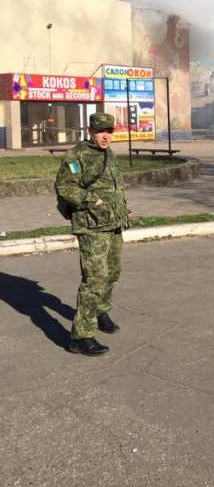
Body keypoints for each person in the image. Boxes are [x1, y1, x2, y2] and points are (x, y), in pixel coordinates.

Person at [55, 112, 129, 357]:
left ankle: (99, 311)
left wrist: (121, 211)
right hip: (91, 226)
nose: (105, 136)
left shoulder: (109, 154)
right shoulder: (76, 156)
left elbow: (114, 187)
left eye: (109, 131)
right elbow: (65, 187)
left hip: (113, 223)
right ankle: (81, 336)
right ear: (90, 131)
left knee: (112, 272)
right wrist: (90, 200)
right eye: (100, 131)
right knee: (94, 279)